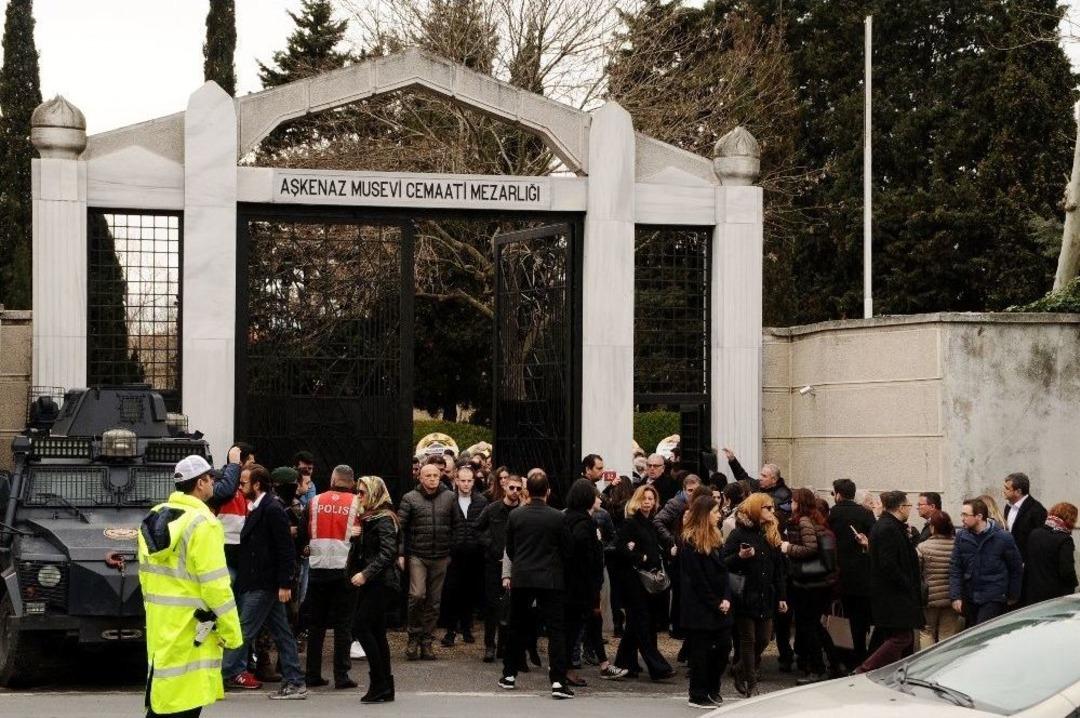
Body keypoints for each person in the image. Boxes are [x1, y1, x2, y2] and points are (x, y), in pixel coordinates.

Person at [139, 455, 243, 718]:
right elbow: (216, 586)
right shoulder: (204, 523)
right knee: (184, 704)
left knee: (163, 700)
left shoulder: (155, 518)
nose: (214, 484)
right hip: (194, 629)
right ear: (200, 483)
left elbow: (145, 577)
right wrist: (232, 633)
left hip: (161, 624)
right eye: (211, 479)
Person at [222, 464, 307, 699]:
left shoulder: (271, 509)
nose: (240, 487)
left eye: (244, 483)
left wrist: (284, 584)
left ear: (257, 484)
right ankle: (295, 681)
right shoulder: (261, 507)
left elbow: (285, 549)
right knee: (281, 633)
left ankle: (219, 674)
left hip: (264, 584)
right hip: (262, 582)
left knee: (242, 630)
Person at [498, 470, 576, 700]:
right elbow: (568, 549)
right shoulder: (558, 517)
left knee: (517, 625)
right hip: (550, 578)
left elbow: (510, 549)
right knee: (556, 631)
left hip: (522, 576)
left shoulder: (516, 516)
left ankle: (509, 675)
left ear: (527, 491)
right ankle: (558, 682)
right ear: (548, 492)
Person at [563, 479, 629, 686]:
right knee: (576, 627)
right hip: (582, 586)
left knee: (592, 623)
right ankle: (567, 668)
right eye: (595, 494)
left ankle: (602, 663)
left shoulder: (570, 518)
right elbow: (584, 557)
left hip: (579, 585)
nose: (599, 497)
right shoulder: (584, 524)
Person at [297, 465, 358, 689]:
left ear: (333, 479)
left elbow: (303, 534)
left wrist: (306, 549)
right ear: (351, 482)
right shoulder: (356, 504)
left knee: (316, 625)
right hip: (345, 572)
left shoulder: (315, 502)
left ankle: (312, 674)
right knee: (343, 625)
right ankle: (341, 675)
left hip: (317, 570)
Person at [722, 492, 786, 697]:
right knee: (748, 640)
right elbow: (723, 563)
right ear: (757, 508)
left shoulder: (771, 532)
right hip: (744, 594)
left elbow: (779, 569)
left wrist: (782, 596)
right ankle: (751, 682)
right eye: (768, 508)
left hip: (765, 594)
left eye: (772, 508)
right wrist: (740, 557)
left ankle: (740, 669)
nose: (772, 511)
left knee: (764, 638)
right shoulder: (738, 534)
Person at [612, 484, 676, 682]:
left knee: (636, 625)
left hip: (648, 581)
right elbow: (621, 548)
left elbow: (652, 548)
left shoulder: (650, 523)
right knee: (641, 624)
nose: (648, 502)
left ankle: (624, 664)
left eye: (651, 498)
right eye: (644, 498)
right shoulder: (631, 523)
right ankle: (658, 667)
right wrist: (642, 557)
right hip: (634, 582)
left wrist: (663, 554)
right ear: (637, 501)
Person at [397, 462, 460, 660]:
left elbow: (457, 525)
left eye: (436, 475)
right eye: (429, 475)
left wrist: (451, 550)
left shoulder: (450, 497)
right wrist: (400, 553)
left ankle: (426, 641)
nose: (433, 478)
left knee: (434, 601)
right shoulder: (410, 498)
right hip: (418, 555)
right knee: (416, 595)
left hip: (441, 555)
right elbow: (400, 529)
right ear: (420, 478)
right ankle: (413, 637)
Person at [855, 490, 922, 673]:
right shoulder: (888, 528)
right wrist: (907, 583)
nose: (910, 509)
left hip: (891, 593)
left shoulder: (890, 526)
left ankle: (891, 672)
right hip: (893, 594)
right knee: (902, 637)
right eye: (908, 505)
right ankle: (866, 669)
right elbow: (888, 564)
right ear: (901, 507)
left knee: (892, 637)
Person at [347, 476, 400, 703]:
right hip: (374, 582)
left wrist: (365, 574)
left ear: (374, 494)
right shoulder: (369, 518)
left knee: (361, 626)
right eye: (357, 492)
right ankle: (384, 685)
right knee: (377, 633)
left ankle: (379, 683)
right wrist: (353, 537)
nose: (359, 497)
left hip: (381, 582)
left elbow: (387, 554)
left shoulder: (384, 519)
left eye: (363, 492)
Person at [680, 495, 733, 709]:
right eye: (715, 512)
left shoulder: (716, 538)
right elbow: (697, 580)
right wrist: (716, 602)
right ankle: (699, 692)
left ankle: (713, 687)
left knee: (723, 647)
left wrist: (727, 598)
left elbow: (724, 572)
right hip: (700, 607)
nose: (719, 515)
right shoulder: (691, 543)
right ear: (704, 515)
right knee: (701, 652)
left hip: (720, 603)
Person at [783, 487, 835, 684]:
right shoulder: (815, 519)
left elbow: (810, 548)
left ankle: (817, 669)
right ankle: (833, 663)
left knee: (810, 626)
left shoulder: (803, 521)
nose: (791, 504)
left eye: (793, 501)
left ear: (799, 503)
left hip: (808, 583)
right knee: (815, 625)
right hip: (819, 583)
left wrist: (789, 548)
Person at [949, 497, 1023, 626]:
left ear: (979, 516)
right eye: (962, 514)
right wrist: (956, 596)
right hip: (970, 597)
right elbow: (956, 568)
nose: (962, 518)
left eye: (965, 515)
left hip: (993, 596)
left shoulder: (1003, 537)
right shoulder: (961, 536)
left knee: (982, 633)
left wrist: (1012, 595)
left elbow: (1016, 567)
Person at [827, 478, 875, 668]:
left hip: (839, 576)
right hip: (862, 576)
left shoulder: (833, 514)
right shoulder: (866, 513)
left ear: (838, 494)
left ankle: (842, 657)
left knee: (839, 618)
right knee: (859, 620)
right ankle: (859, 656)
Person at [476, 473, 523, 662]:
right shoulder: (492, 509)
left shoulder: (522, 511)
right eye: (512, 487)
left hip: (517, 565)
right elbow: (477, 529)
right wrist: (491, 544)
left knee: (510, 606)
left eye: (518, 488)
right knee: (491, 606)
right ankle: (489, 645)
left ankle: (504, 646)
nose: (515, 492)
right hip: (494, 564)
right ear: (504, 487)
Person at [441, 465, 488, 646]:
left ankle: (467, 628)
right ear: (456, 481)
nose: (466, 484)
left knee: (470, 592)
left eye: (469, 481)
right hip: (455, 554)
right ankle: (451, 631)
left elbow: (485, 526)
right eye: (463, 480)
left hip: (475, 554)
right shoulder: (450, 500)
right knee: (453, 592)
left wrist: (481, 543)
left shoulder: (481, 501)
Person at [916, 510, 959, 646]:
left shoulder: (923, 547)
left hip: (930, 597)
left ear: (932, 527)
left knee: (927, 631)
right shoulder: (958, 545)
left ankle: (929, 664)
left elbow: (917, 572)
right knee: (947, 634)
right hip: (952, 597)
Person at [1023, 502, 1079, 604]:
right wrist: (1074, 584)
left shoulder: (1034, 533)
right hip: (1056, 596)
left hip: (1033, 593)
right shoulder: (1065, 539)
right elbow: (1066, 570)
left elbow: (1028, 562)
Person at [1002, 473, 1048, 570]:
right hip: (1009, 562)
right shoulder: (1008, 507)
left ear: (1018, 491)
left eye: (1007, 488)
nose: (1003, 491)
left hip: (1027, 567)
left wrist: (1027, 562)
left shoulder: (1037, 510)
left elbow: (1041, 540)